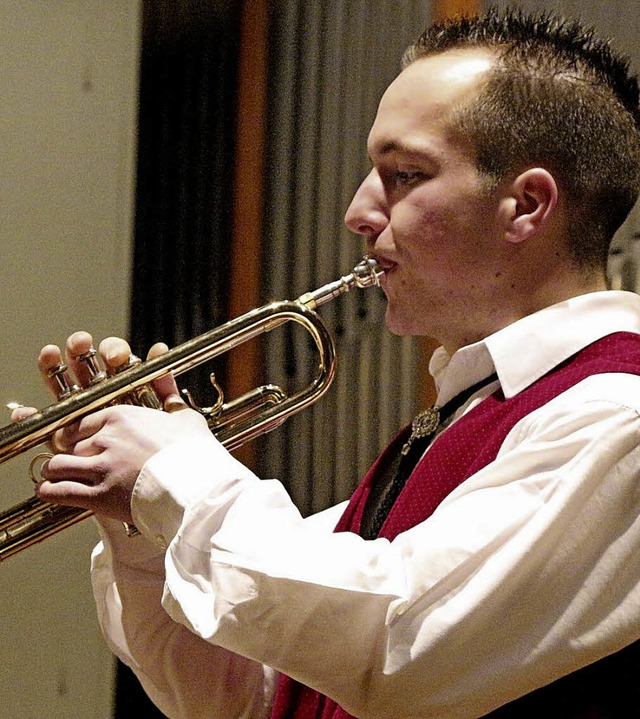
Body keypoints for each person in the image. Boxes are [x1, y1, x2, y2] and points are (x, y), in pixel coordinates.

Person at [15, 7, 640, 718]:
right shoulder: (459, 418)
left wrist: (175, 470)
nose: (356, 211)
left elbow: (397, 646)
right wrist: (137, 526)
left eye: (403, 174)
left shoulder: (616, 418)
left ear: (526, 205)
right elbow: (241, 699)